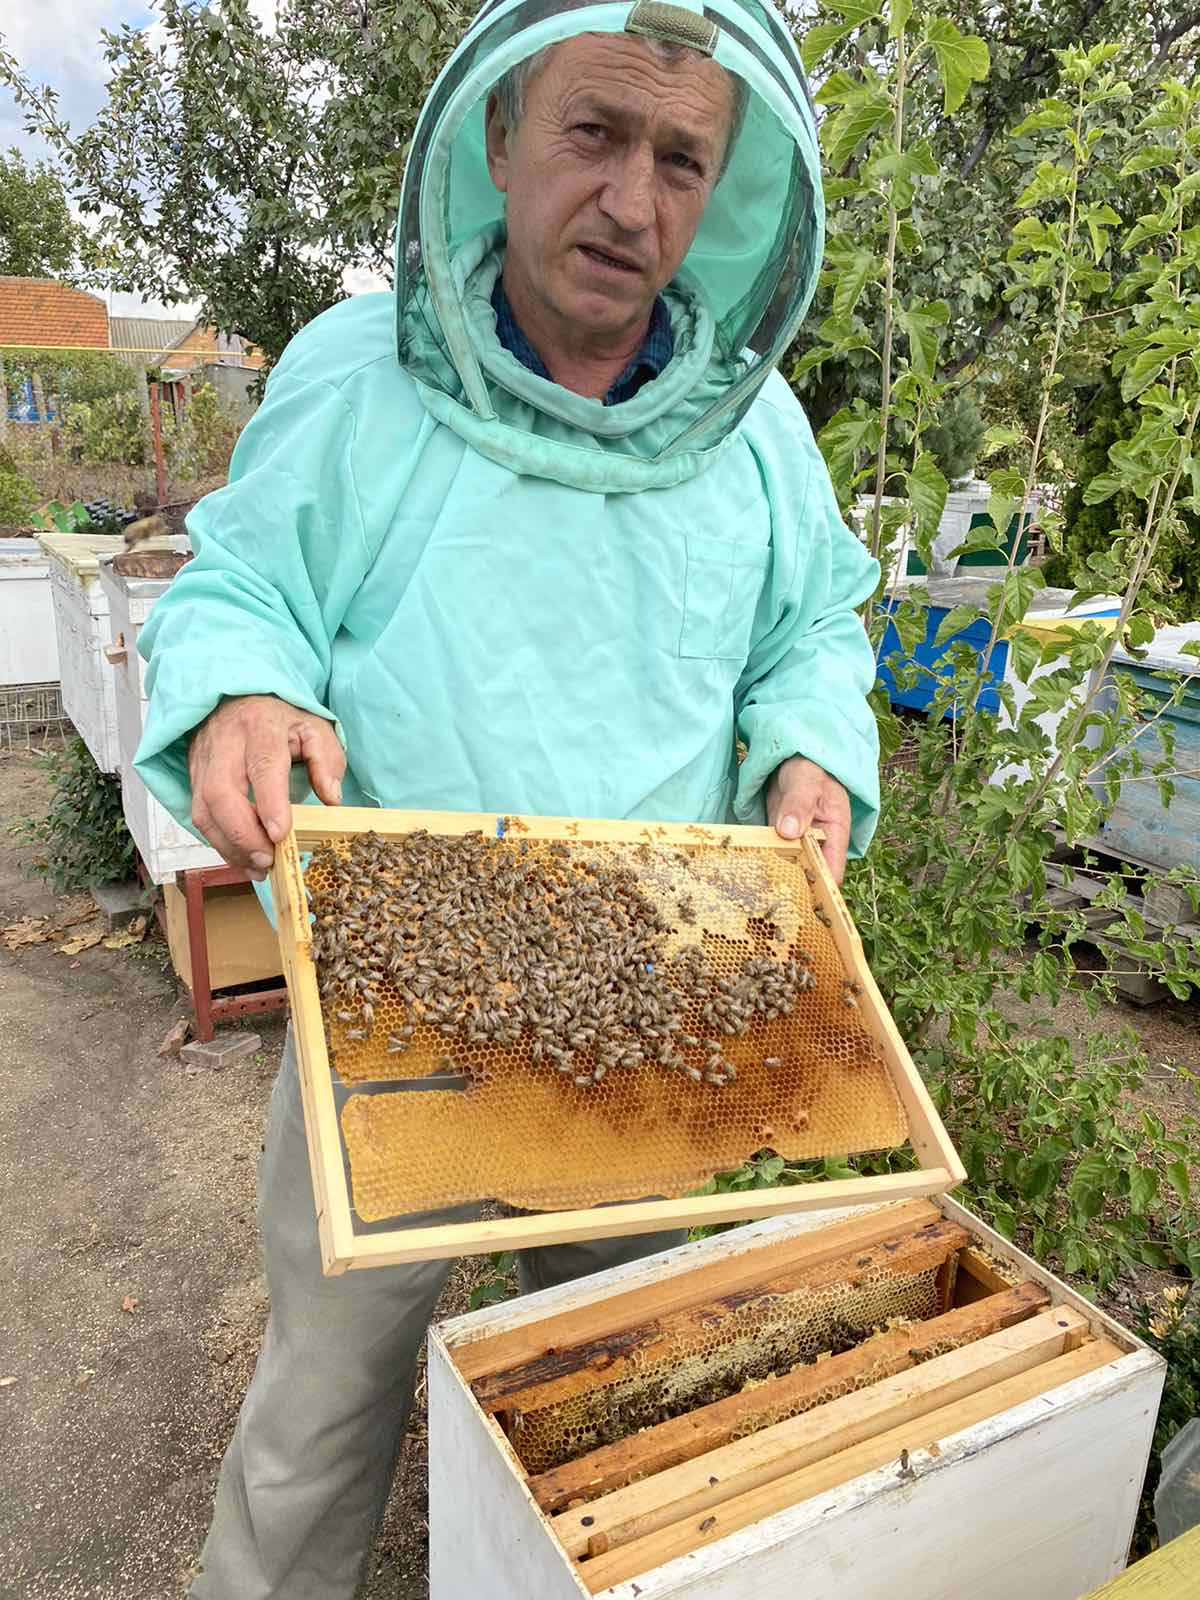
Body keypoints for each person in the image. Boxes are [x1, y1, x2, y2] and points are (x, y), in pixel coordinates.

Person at [135, 1, 882, 1593]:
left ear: (726, 187)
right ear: (495, 138)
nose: (632, 202)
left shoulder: (758, 442)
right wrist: (244, 685)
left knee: (630, 1404)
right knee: (319, 1409)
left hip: (646, 1033)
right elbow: (243, 579)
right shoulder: (359, 376)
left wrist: (810, 745)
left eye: (682, 159)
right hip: (387, 1026)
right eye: (595, 134)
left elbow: (812, 628)